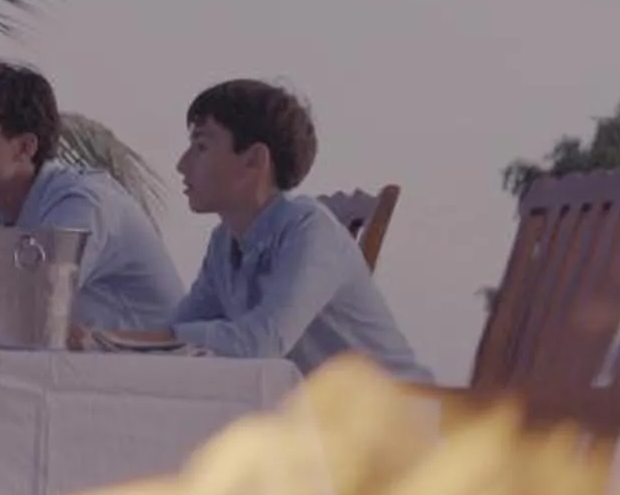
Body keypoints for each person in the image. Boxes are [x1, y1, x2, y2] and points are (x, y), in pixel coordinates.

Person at [126, 79, 429, 380]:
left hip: (401, 415)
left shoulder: (310, 229)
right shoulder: (225, 242)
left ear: (255, 160)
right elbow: (177, 333)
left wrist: (141, 339)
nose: (181, 164)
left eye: (201, 146)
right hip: (323, 417)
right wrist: (106, 340)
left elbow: (260, 341)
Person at [0, 62, 184, 330]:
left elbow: (22, 312)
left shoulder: (80, 205)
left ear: (24, 148)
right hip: (84, 367)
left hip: (151, 368)